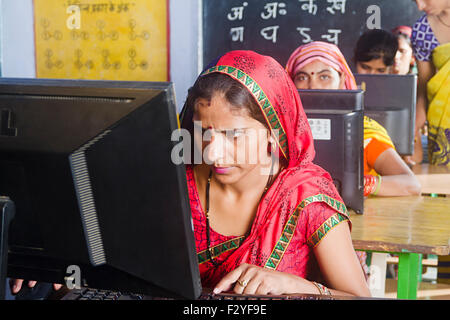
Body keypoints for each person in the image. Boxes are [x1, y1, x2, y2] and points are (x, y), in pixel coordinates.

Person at [178, 50, 370, 296]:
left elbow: (360, 296)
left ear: (273, 129)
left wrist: (294, 285)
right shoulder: (180, 183)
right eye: (203, 131)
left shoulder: (305, 196)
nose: (213, 153)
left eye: (234, 135)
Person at [286, 41, 421, 197]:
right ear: (291, 83)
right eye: (302, 77)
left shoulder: (363, 132)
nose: (313, 85)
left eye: (324, 76)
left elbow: (410, 184)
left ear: (342, 79)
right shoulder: (279, 131)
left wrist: (355, 185)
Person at [411, 0, 450, 167]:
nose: (420, 6)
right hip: (443, 126)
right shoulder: (422, 30)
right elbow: (425, 86)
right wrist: (414, 127)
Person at [391, 26, 426, 166]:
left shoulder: (422, 89)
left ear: (412, 57)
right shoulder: (373, 87)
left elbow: (415, 156)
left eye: (402, 51)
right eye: (392, 52)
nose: (396, 57)